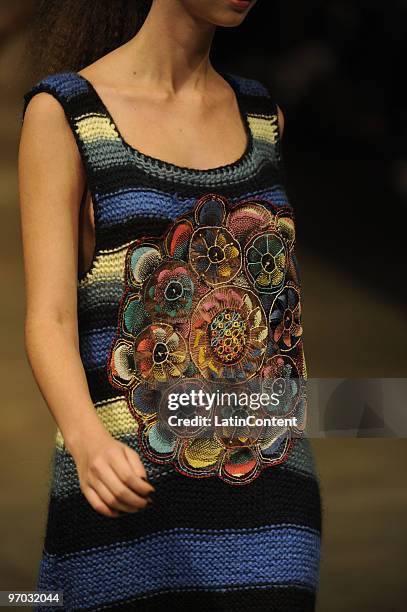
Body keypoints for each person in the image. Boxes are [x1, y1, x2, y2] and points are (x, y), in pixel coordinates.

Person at [18, 0, 322, 610]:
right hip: (126, 485)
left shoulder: (263, 119)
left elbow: (279, 319)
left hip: (270, 494)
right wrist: (86, 442)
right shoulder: (70, 114)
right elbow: (49, 317)